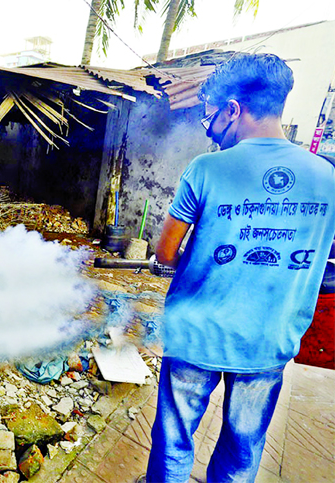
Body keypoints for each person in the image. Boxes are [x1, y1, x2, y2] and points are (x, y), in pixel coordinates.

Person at [141, 53, 335, 482]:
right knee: (242, 451)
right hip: (268, 340)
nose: (208, 131)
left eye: (209, 119)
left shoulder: (207, 168)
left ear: (233, 109)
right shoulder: (328, 178)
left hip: (196, 332)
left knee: (175, 442)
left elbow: (167, 252)